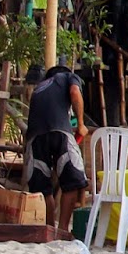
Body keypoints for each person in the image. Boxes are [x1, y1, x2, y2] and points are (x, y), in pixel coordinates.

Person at [22, 65, 89, 235]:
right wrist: (81, 124)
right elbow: (75, 93)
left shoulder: (40, 87)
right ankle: (63, 230)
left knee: (42, 187)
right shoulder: (68, 77)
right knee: (72, 181)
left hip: (35, 138)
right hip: (59, 133)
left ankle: (50, 230)